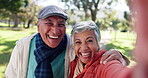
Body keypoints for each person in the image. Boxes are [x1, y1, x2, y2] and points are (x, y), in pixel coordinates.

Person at [5, 5, 129, 78]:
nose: (55, 30)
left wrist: (117, 54)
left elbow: (100, 61)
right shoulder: (23, 46)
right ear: (38, 26)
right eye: (49, 23)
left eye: (60, 24)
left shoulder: (72, 45)